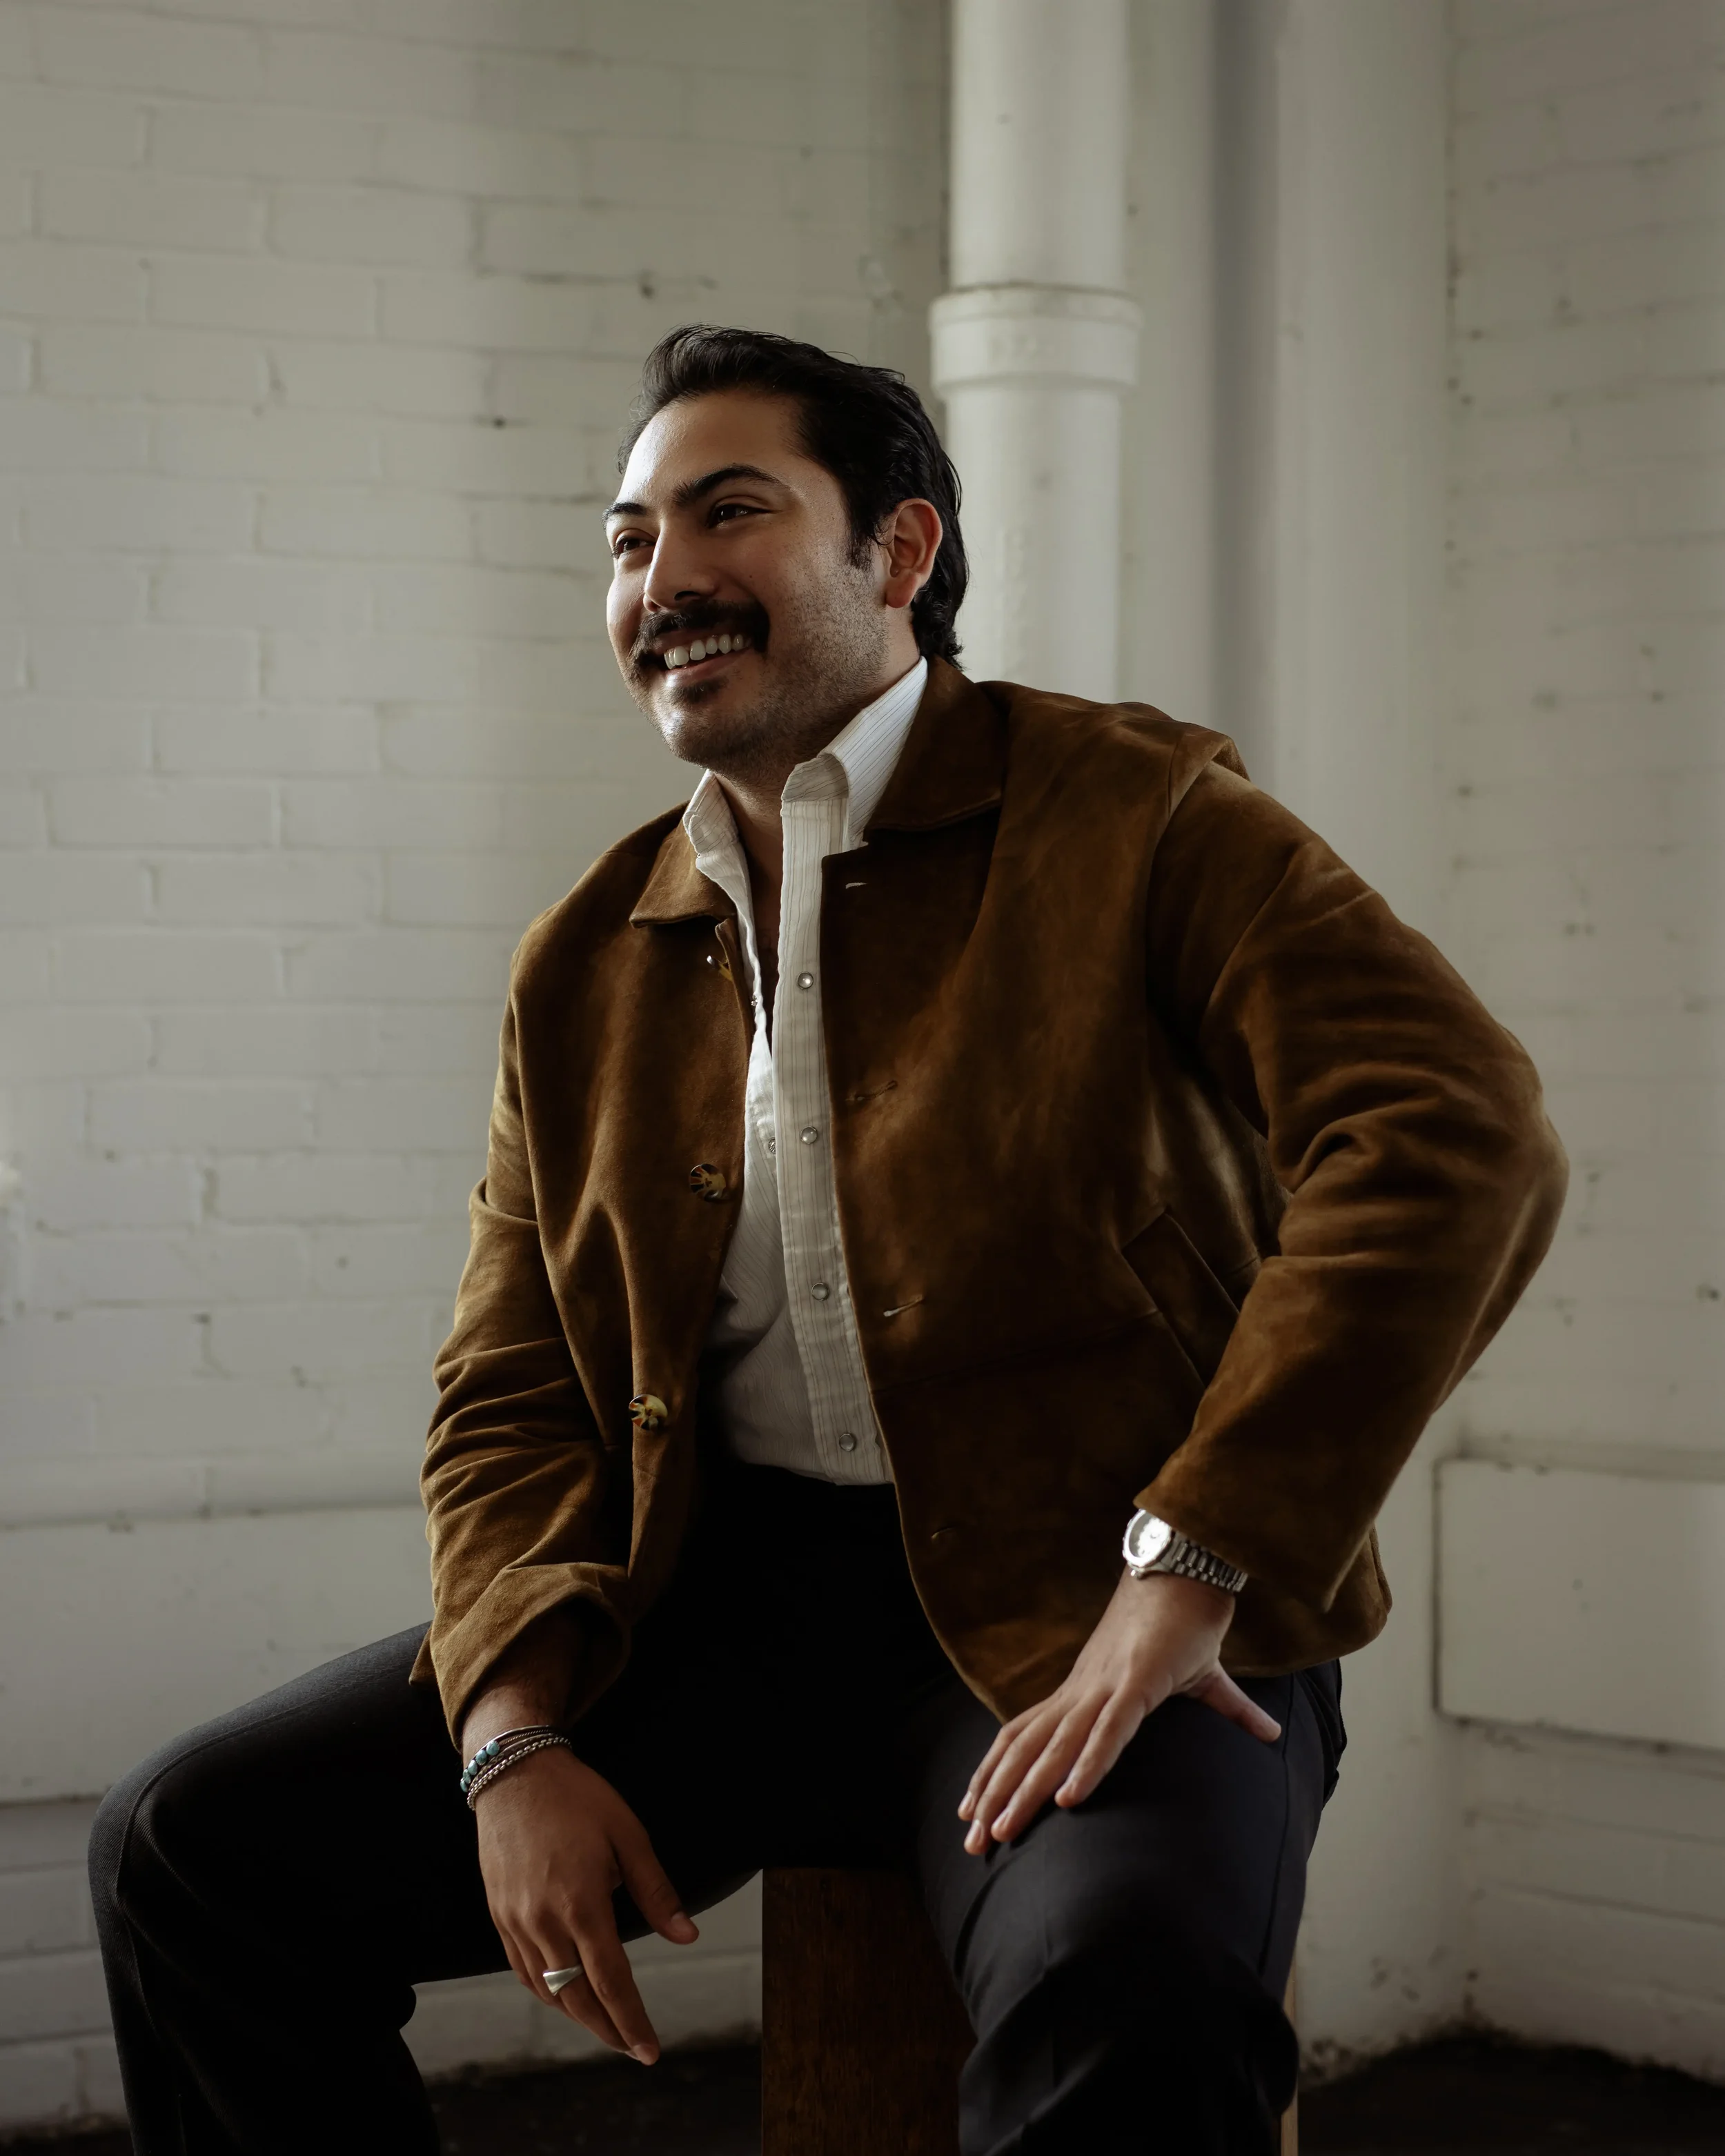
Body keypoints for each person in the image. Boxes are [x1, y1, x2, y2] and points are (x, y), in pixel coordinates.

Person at [90, 326, 1567, 2155]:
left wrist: (1192, 1564)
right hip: (718, 1615)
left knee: (1137, 1990)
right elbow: (508, 1381)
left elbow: (1450, 1132)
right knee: (189, 1858)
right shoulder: (585, 953)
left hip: (1092, 1601)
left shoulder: (1138, 816)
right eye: (628, 537)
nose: (662, 579)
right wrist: (513, 1731)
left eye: (730, 512)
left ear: (900, 552)